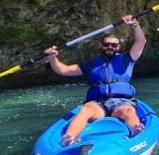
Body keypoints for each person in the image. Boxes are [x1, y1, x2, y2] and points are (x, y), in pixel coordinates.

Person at [44, 15, 146, 146]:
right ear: (101, 46)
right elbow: (63, 70)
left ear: (118, 47)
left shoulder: (127, 59)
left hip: (121, 102)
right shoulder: (91, 64)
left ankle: (135, 130)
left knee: (129, 111)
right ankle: (69, 138)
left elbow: (140, 42)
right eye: (106, 44)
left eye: (114, 45)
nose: (110, 46)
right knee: (85, 110)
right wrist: (52, 58)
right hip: (98, 103)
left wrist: (134, 24)